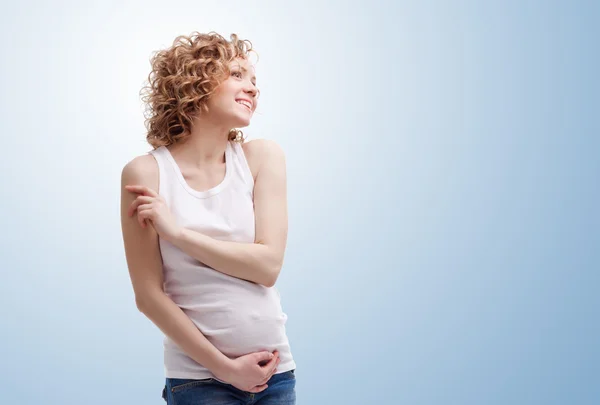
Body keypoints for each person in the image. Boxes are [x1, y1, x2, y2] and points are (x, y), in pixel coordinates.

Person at [120, 31, 296, 405]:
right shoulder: (146, 174)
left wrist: (179, 234)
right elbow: (149, 296)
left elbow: (267, 266)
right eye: (237, 74)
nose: (252, 88)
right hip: (198, 382)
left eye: (254, 81)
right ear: (194, 84)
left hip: (275, 375)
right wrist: (225, 369)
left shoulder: (262, 158)